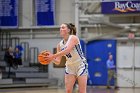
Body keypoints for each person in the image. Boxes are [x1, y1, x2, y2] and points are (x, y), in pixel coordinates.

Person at [45, 23, 88, 93]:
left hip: (80, 65)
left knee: (82, 91)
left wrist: (52, 56)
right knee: (68, 90)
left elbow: (67, 50)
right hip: (70, 66)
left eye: (63, 27)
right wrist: (50, 59)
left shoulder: (73, 37)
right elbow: (58, 62)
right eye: (60, 28)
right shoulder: (59, 45)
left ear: (68, 30)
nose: (60, 29)